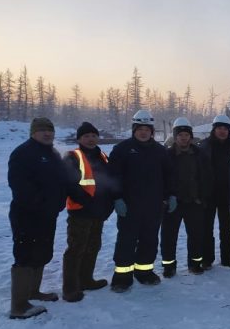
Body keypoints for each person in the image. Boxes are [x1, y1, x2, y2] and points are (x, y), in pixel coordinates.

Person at [109, 109, 176, 292]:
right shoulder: (122, 150)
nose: (144, 132)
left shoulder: (160, 151)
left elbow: (169, 176)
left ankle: (144, 272)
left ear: (152, 131)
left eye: (147, 129)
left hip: (154, 206)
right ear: (134, 129)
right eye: (140, 128)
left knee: (149, 240)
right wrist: (117, 198)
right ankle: (122, 277)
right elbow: (113, 176)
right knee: (126, 240)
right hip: (129, 206)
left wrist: (171, 195)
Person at [7, 117, 68, 318]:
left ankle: (33, 292)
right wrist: (41, 205)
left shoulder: (52, 154)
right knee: (24, 254)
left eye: (50, 130)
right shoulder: (23, 153)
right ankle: (19, 305)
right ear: (33, 132)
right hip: (26, 214)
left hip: (47, 215)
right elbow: (20, 187)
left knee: (41, 252)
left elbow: (61, 181)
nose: (47, 133)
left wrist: (58, 203)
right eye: (42, 130)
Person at [61, 121, 114, 302]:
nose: (91, 139)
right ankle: (70, 288)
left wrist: (109, 205)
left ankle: (86, 280)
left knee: (93, 247)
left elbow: (109, 182)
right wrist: (87, 202)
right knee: (76, 249)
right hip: (80, 212)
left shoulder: (103, 156)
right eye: (86, 136)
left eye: (93, 136)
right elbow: (69, 184)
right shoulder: (72, 156)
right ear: (79, 139)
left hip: (98, 212)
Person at [160, 117, 211, 277]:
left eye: (186, 135)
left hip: (194, 202)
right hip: (172, 203)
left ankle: (195, 264)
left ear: (191, 136)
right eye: (180, 135)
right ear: (175, 137)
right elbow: (160, 178)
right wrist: (166, 197)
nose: (183, 138)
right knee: (168, 236)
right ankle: (169, 266)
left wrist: (202, 198)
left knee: (196, 235)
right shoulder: (166, 155)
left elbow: (207, 178)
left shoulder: (199, 154)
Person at [199, 114, 230, 270]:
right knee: (206, 228)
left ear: (229, 130)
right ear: (214, 129)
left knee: (227, 229)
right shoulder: (203, 147)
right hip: (208, 195)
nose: (222, 131)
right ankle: (207, 259)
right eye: (219, 128)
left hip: (227, 195)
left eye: (225, 128)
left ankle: (228, 259)